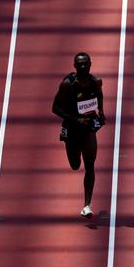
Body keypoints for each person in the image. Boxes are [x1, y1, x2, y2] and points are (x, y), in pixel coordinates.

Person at [52, 52, 105, 218]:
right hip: (72, 128)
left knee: (90, 164)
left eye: (85, 64)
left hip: (89, 128)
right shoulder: (67, 84)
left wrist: (101, 111)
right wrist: (75, 119)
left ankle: (87, 205)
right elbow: (55, 108)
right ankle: (73, 153)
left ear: (90, 64)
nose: (83, 66)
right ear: (75, 66)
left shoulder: (96, 82)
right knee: (75, 165)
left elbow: (99, 95)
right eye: (79, 64)